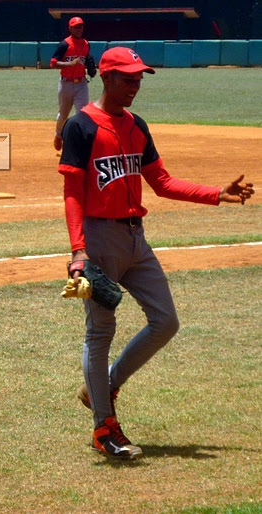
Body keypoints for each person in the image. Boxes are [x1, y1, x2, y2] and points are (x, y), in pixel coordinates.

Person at [58, 47, 254, 460]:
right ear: (107, 78)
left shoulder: (136, 126)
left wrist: (215, 194)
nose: (136, 85)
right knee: (100, 331)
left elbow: (161, 182)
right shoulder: (81, 126)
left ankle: (104, 387)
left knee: (165, 321)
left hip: (135, 239)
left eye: (139, 78)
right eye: (128, 78)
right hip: (98, 239)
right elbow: (73, 193)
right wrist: (78, 251)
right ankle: (104, 428)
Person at [50, 16, 96, 152]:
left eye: (81, 26)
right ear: (70, 28)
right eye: (76, 27)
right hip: (66, 84)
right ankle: (58, 135)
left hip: (81, 83)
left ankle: (80, 144)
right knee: (64, 115)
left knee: (83, 113)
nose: (79, 29)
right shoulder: (64, 44)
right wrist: (70, 64)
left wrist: (91, 67)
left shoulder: (86, 44)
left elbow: (87, 59)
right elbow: (53, 63)